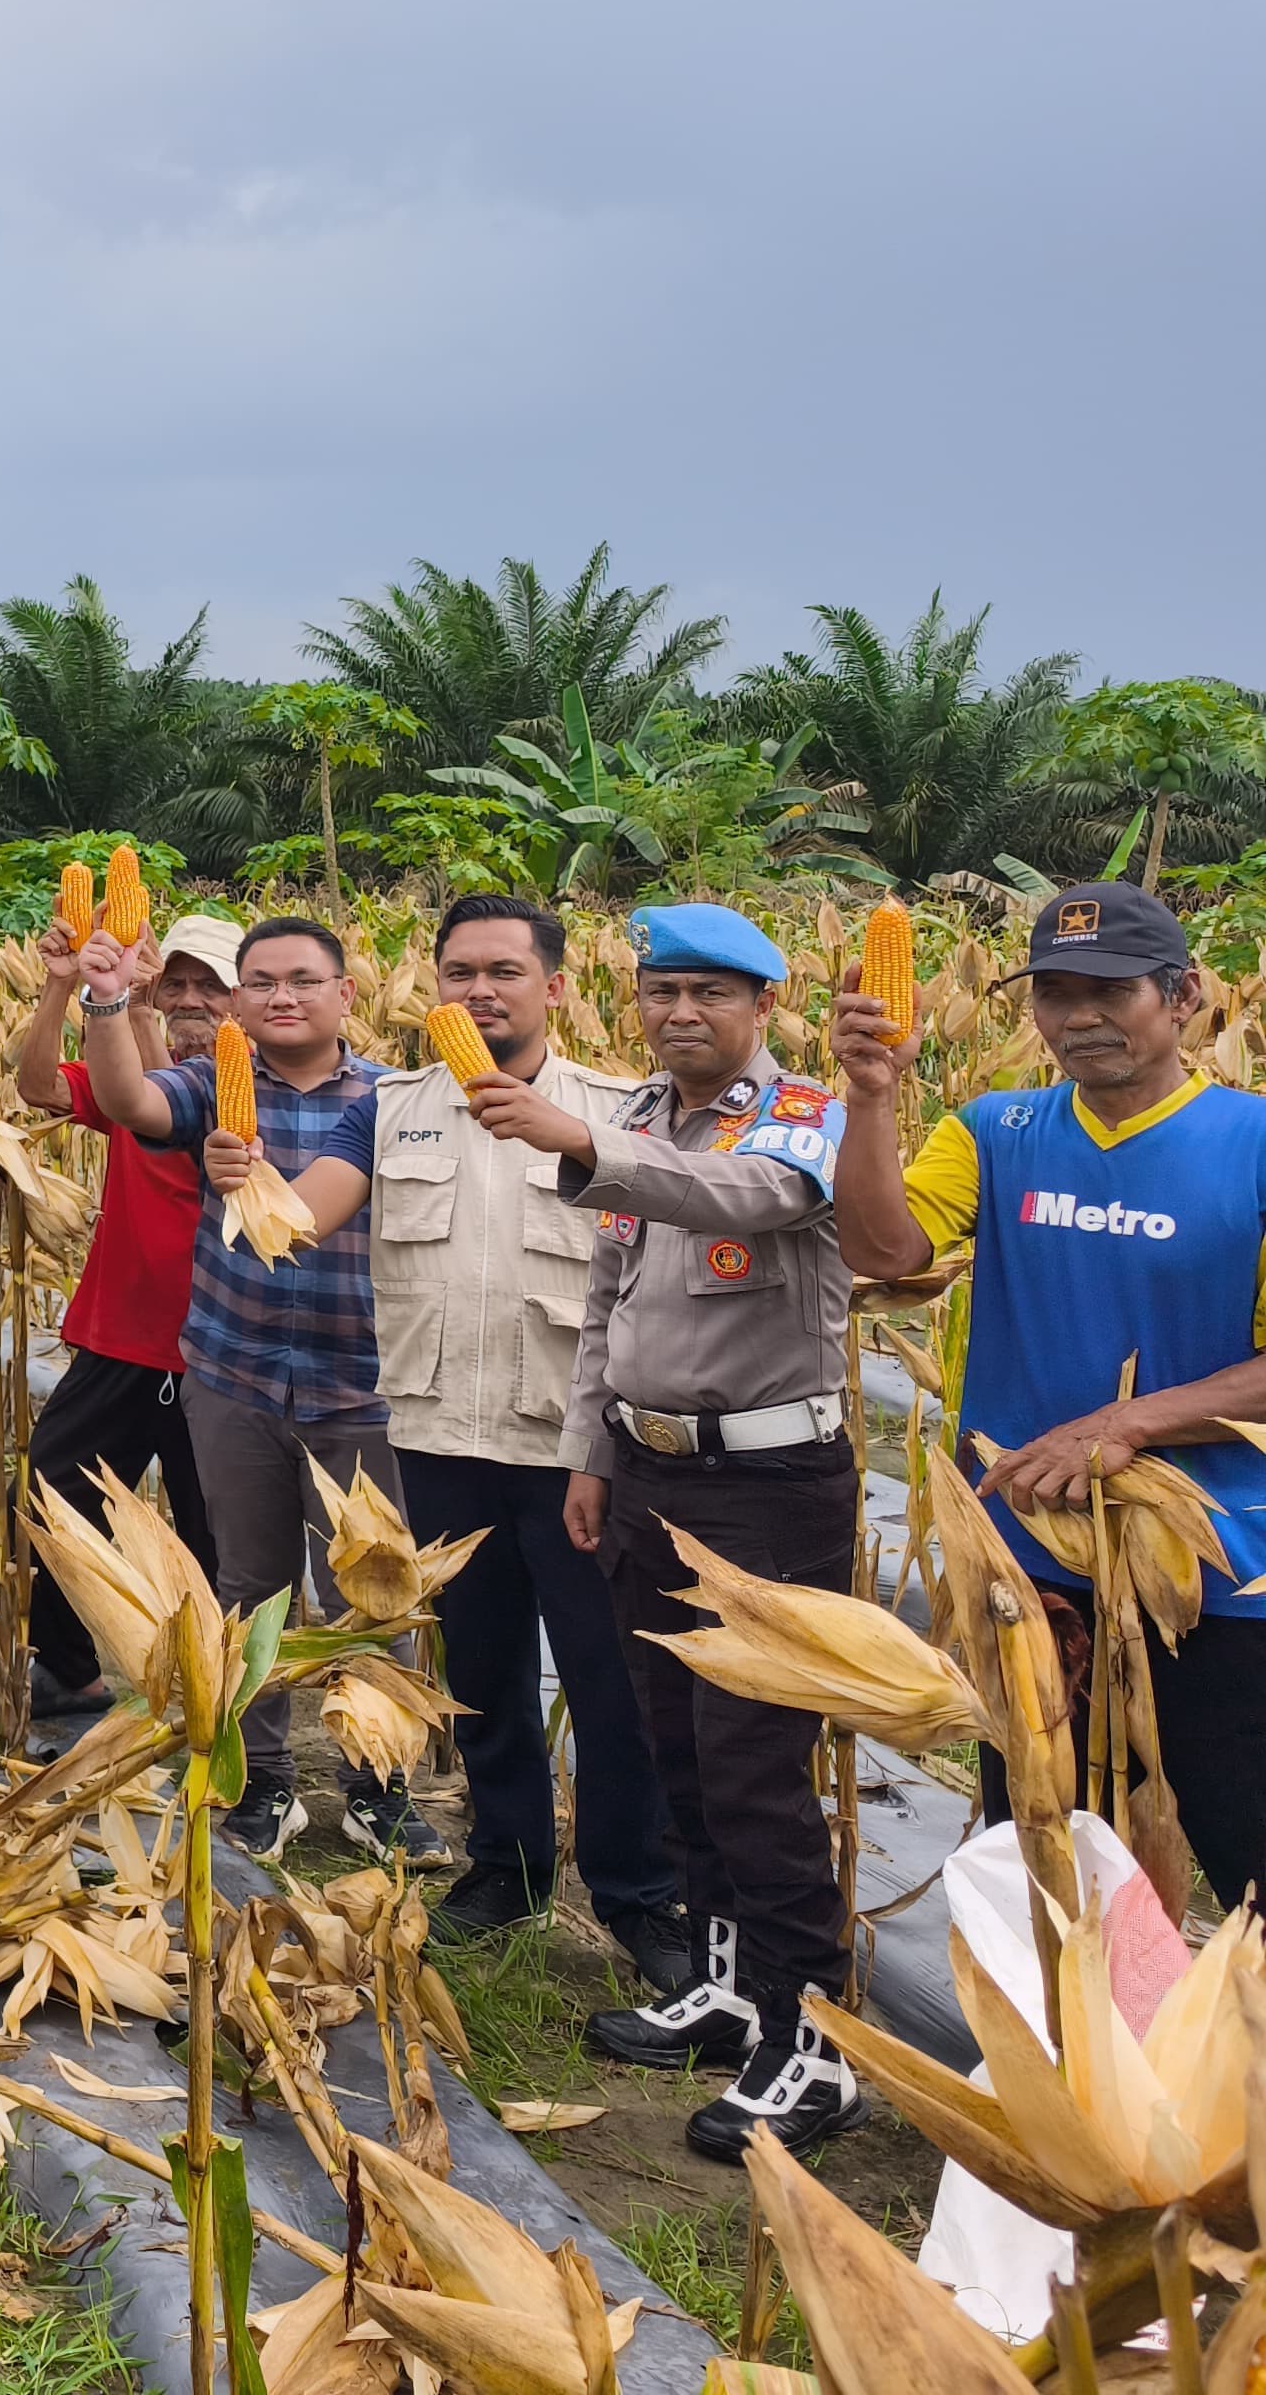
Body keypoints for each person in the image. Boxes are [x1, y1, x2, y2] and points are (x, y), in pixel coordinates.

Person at [236, 898, 686, 1977]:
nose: (479, 992)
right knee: (478, 1672)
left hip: (573, 1442)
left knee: (606, 1677)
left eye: (504, 972)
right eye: (457, 973)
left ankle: (637, 1894)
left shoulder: (619, 1110)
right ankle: (507, 1865)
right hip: (439, 1433)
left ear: (557, 988)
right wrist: (243, 1179)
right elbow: (298, 1226)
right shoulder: (390, 1112)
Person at [834, 879, 1266, 1914]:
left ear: (1185, 997)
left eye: (1110, 991)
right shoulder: (993, 1128)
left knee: (1241, 1845)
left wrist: (1124, 1424)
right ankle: (1059, 2063)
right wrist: (869, 1098)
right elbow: (882, 1251)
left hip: (1215, 1570)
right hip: (1027, 1564)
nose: (1078, 1017)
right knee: (1040, 1837)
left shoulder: (1249, 1142)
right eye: (1055, 993)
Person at [537, 902, 863, 2158]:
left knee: (754, 1767)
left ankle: (814, 2043)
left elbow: (746, 1200)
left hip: (771, 1491)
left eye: (710, 996)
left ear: (762, 1008)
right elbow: (605, 1301)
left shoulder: (805, 1123)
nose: (681, 1014)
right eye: (662, 992)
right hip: (647, 1472)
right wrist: (588, 1453)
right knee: (673, 1739)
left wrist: (571, 1139)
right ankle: (729, 1989)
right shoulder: (632, 1122)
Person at [76, 913, 417, 1860]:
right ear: (239, 998)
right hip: (235, 1373)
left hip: (364, 1382)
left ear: (347, 993)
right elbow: (129, 1102)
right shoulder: (209, 1087)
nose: (281, 996)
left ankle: (379, 1785)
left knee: (374, 1592)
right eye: (260, 981)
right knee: (249, 1585)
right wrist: (107, 999)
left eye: (303, 979)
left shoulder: (397, 1099)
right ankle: (260, 1777)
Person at [11, 911, 236, 1726]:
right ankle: (68, 1673)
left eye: (210, 985)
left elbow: (167, 1119)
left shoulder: (264, 1093)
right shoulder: (130, 1079)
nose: (190, 998)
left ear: (244, 999)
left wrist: (137, 1016)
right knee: (53, 1494)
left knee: (216, 1536)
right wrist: (63, 985)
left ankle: (220, 1693)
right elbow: (39, 1088)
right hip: (123, 1340)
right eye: (174, 981)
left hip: (220, 1353)